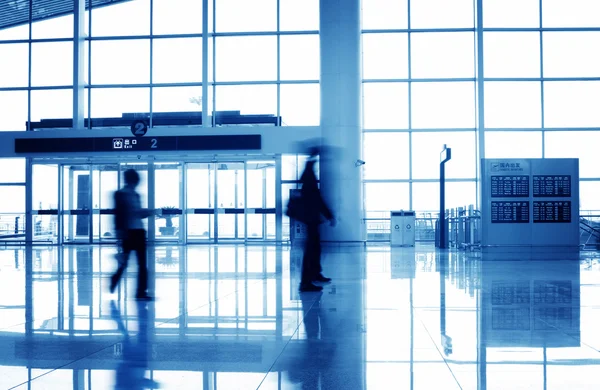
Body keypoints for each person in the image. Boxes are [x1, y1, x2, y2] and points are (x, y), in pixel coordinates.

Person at [110, 169, 153, 301]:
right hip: (128, 232)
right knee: (124, 262)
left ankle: (141, 292)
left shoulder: (136, 195)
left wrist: (147, 212)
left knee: (142, 263)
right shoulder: (120, 194)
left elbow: (138, 213)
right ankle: (115, 278)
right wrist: (119, 233)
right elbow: (118, 215)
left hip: (139, 231)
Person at [299, 149, 336, 292]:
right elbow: (316, 199)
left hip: (312, 218)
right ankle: (306, 282)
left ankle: (315, 275)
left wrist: (328, 214)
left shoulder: (309, 172)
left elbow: (316, 198)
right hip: (311, 218)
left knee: (315, 249)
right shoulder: (309, 173)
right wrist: (329, 215)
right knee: (311, 250)